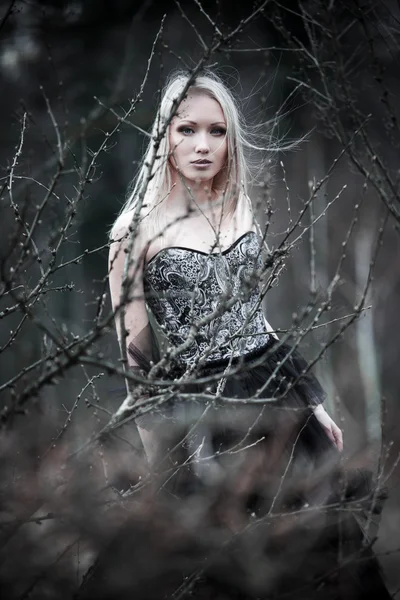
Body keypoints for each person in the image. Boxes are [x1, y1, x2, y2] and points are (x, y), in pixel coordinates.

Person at [107, 71, 390, 598]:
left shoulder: (238, 206)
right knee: (229, 560)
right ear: (164, 134)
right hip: (203, 408)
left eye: (216, 131)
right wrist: (159, 459)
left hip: (276, 396)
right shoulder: (133, 231)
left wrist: (314, 404)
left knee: (316, 548)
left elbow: (254, 319)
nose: (201, 145)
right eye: (186, 129)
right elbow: (136, 358)